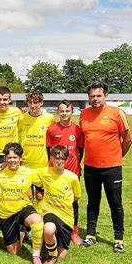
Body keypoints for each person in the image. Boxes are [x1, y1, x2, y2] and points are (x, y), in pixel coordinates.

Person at [79, 81, 132, 253]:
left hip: (112, 168)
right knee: (92, 203)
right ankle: (90, 235)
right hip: (90, 167)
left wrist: (116, 157)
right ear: (88, 97)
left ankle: (118, 239)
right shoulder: (84, 114)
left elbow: (128, 139)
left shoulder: (117, 113)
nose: (95, 99)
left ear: (105, 96)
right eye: (92, 96)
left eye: (98, 95)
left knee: (115, 203)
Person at [0, 143, 45, 264]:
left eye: (15, 157)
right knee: (15, 252)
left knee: (37, 221)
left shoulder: (28, 172)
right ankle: (22, 232)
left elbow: (46, 180)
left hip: (23, 208)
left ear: (20, 158)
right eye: (9, 157)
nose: (12, 160)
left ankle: (36, 257)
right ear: (5, 158)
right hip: (6, 214)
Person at [46, 100, 84, 245]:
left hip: (72, 172)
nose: (64, 114)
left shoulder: (78, 130)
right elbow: (48, 151)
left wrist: (74, 165)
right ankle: (54, 228)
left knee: (73, 202)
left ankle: (74, 232)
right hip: (55, 173)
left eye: (67, 111)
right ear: (57, 112)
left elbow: (80, 151)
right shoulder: (51, 130)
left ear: (72, 112)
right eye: (61, 111)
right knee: (53, 200)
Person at [37, 145, 81, 264]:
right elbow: (27, 173)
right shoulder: (44, 172)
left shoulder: (72, 177)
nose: (59, 161)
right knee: (49, 228)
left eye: (62, 158)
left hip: (66, 217)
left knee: (63, 255)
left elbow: (77, 196)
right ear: (51, 158)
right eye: (56, 158)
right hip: (49, 212)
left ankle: (52, 243)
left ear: (66, 160)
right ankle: (51, 256)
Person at [19, 91, 55, 169]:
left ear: (41, 103)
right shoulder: (22, 118)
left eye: (35, 102)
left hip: (43, 163)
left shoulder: (49, 118)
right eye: (30, 102)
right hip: (25, 163)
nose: (32, 105)